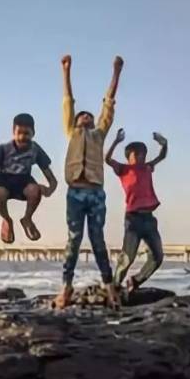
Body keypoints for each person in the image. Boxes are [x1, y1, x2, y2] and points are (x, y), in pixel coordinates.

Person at [54, 54, 124, 309]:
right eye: (81, 116)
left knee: (97, 241)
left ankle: (109, 286)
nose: (85, 117)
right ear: (75, 122)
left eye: (89, 116)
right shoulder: (71, 132)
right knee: (73, 241)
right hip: (75, 192)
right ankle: (66, 287)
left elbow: (108, 105)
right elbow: (68, 102)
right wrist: (66, 71)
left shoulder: (99, 134)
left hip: (95, 194)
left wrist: (116, 72)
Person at [105, 128, 168, 308]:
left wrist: (164, 144)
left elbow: (161, 156)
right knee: (127, 258)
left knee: (157, 257)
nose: (141, 157)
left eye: (143, 154)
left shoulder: (147, 168)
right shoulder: (124, 169)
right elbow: (107, 160)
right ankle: (115, 287)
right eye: (137, 154)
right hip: (133, 219)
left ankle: (135, 281)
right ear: (129, 156)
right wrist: (116, 141)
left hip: (149, 219)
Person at [0, 113, 58, 243]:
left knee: (34, 190)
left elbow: (51, 178)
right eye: (19, 133)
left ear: (33, 133)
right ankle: (7, 219)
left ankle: (27, 218)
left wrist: (49, 189)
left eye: (26, 133)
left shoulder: (35, 150)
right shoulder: (2, 149)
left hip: (23, 180)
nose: (22, 137)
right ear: (13, 132)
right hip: (4, 180)